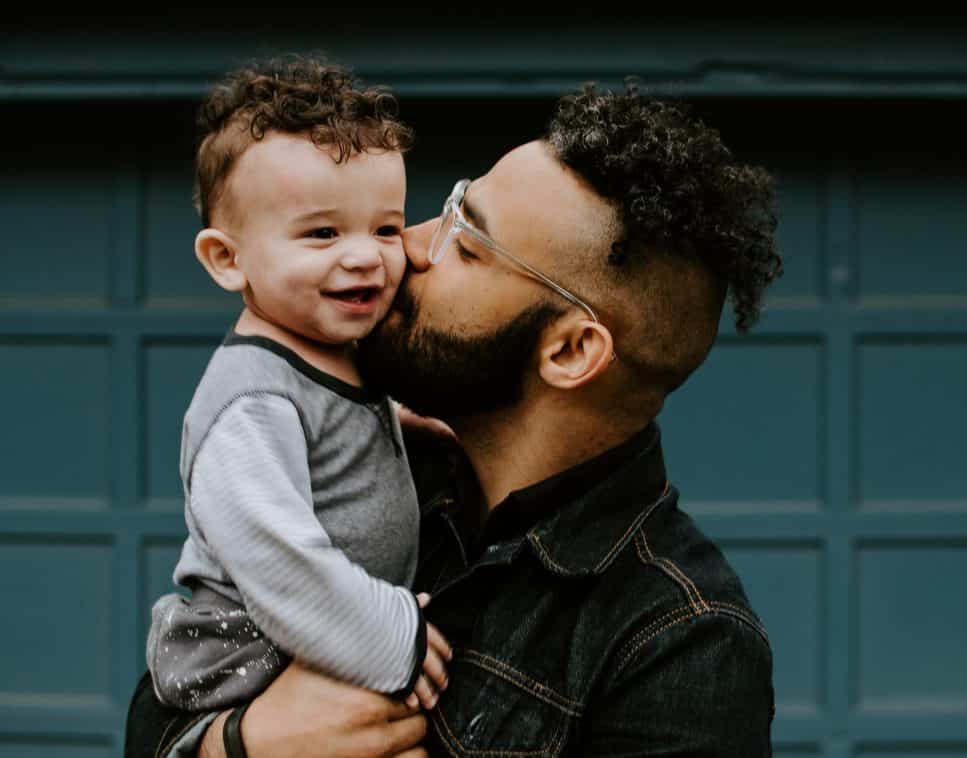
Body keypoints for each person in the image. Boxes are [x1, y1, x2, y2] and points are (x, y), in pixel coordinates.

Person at [127, 73, 783, 757]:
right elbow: (160, 703)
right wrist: (239, 745)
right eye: (446, 211)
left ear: (570, 350)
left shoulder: (681, 643)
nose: (404, 246)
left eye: (467, 246)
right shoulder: (369, 466)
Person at [143, 54, 451, 721]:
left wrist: (400, 426)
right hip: (244, 655)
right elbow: (278, 558)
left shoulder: (335, 352)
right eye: (322, 233)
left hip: (317, 637)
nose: (366, 254)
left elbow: (332, 428)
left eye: (387, 228)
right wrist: (391, 637)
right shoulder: (251, 402)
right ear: (228, 260)